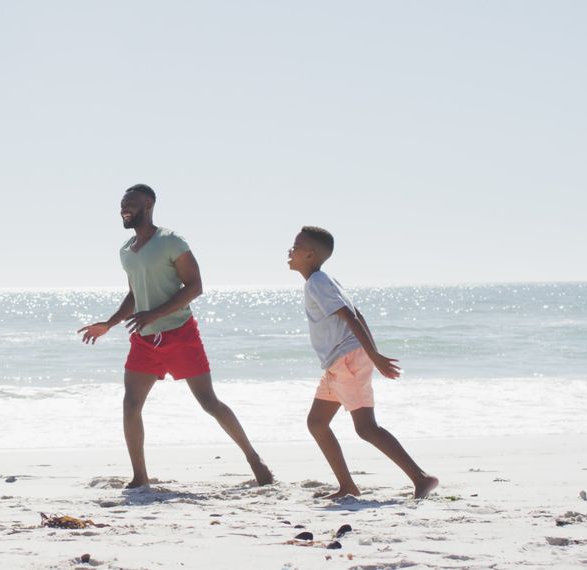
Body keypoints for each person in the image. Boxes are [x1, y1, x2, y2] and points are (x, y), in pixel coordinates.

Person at [78, 184, 273, 489]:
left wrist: (155, 314)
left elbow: (195, 286)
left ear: (149, 205)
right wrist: (110, 323)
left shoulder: (171, 241)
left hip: (180, 334)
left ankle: (254, 459)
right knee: (131, 405)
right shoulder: (126, 251)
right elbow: (134, 294)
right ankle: (140, 477)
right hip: (144, 339)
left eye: (131, 204)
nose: (124, 209)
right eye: (122, 205)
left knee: (209, 403)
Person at [287, 226, 439, 499]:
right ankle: (347, 486)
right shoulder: (323, 281)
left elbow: (349, 316)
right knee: (317, 422)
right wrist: (373, 353)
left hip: (346, 360)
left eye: (296, 247)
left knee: (366, 427)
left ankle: (421, 478)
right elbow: (357, 313)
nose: (290, 250)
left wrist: (373, 355)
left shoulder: (317, 282)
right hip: (339, 362)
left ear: (310, 254)